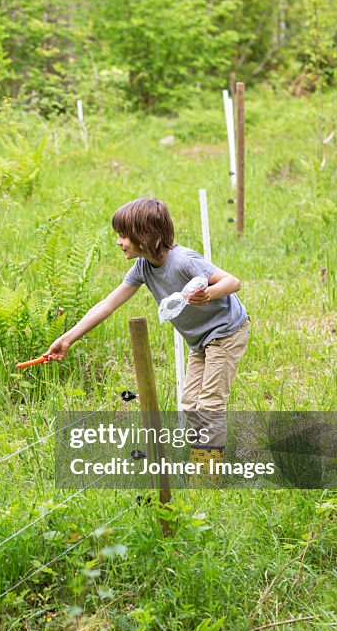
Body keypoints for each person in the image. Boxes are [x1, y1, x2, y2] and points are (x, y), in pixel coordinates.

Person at [44, 197, 250, 477]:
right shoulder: (142, 268)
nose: (118, 242)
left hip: (226, 331)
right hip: (199, 339)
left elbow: (233, 282)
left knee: (210, 404)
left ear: (145, 235)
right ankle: (201, 462)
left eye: (122, 235)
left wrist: (208, 294)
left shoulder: (183, 261)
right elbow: (108, 304)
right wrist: (68, 338)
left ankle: (208, 476)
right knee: (190, 405)